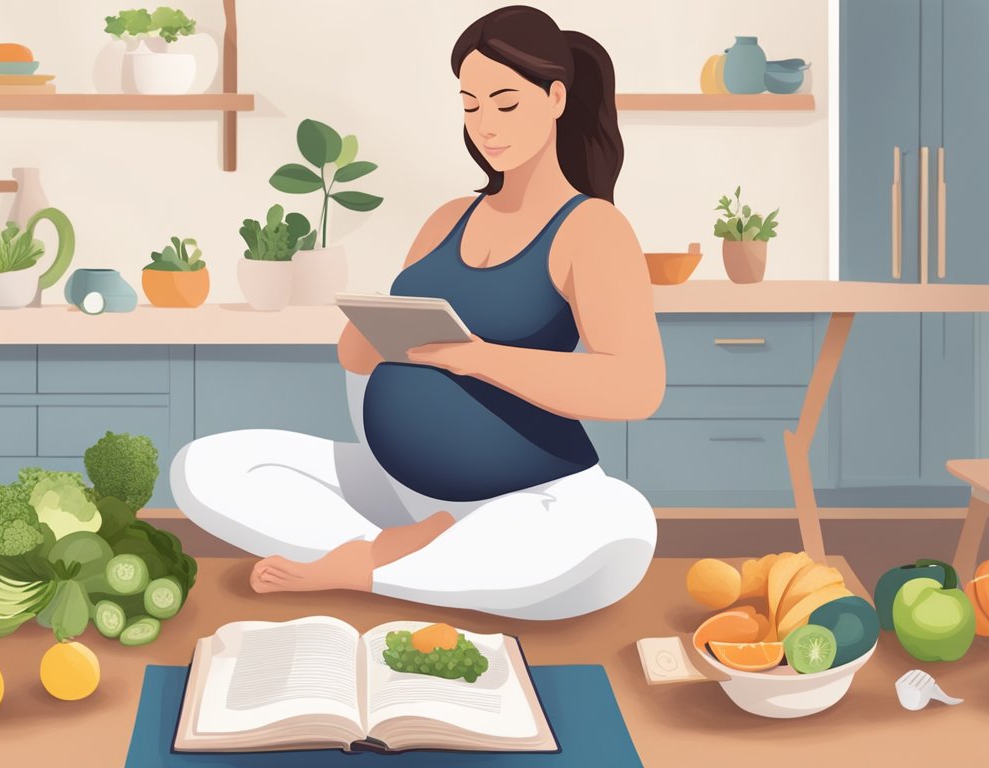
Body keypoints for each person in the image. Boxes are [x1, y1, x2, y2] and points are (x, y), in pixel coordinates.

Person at [169, 6, 665, 620]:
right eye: (470, 104)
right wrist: (375, 327)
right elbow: (354, 357)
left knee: (619, 535)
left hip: (529, 496)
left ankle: (371, 567)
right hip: (396, 489)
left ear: (556, 98)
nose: (486, 125)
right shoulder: (448, 216)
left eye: (505, 104)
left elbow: (636, 387)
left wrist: (476, 358)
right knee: (205, 469)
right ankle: (421, 554)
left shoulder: (591, 228)